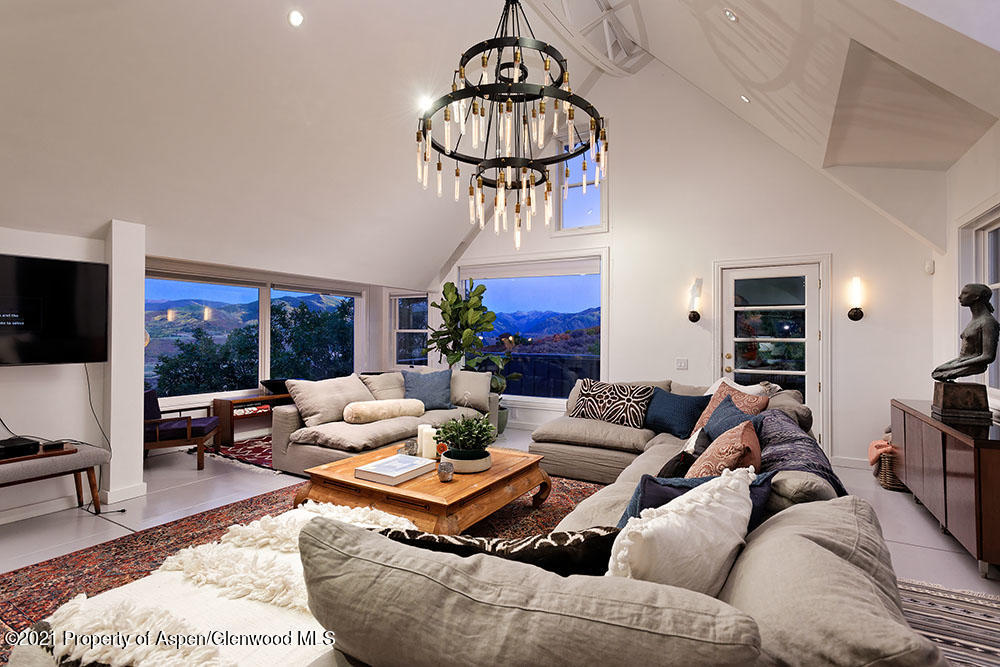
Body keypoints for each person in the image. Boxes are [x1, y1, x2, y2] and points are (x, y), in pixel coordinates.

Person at [932, 283, 1000, 381]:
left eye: (965, 293)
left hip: (975, 365)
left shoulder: (988, 322)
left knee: (939, 373)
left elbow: (988, 356)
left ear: (976, 297)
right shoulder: (975, 320)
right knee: (937, 372)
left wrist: (957, 365)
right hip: (963, 361)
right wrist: (953, 364)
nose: (959, 297)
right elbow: (965, 356)